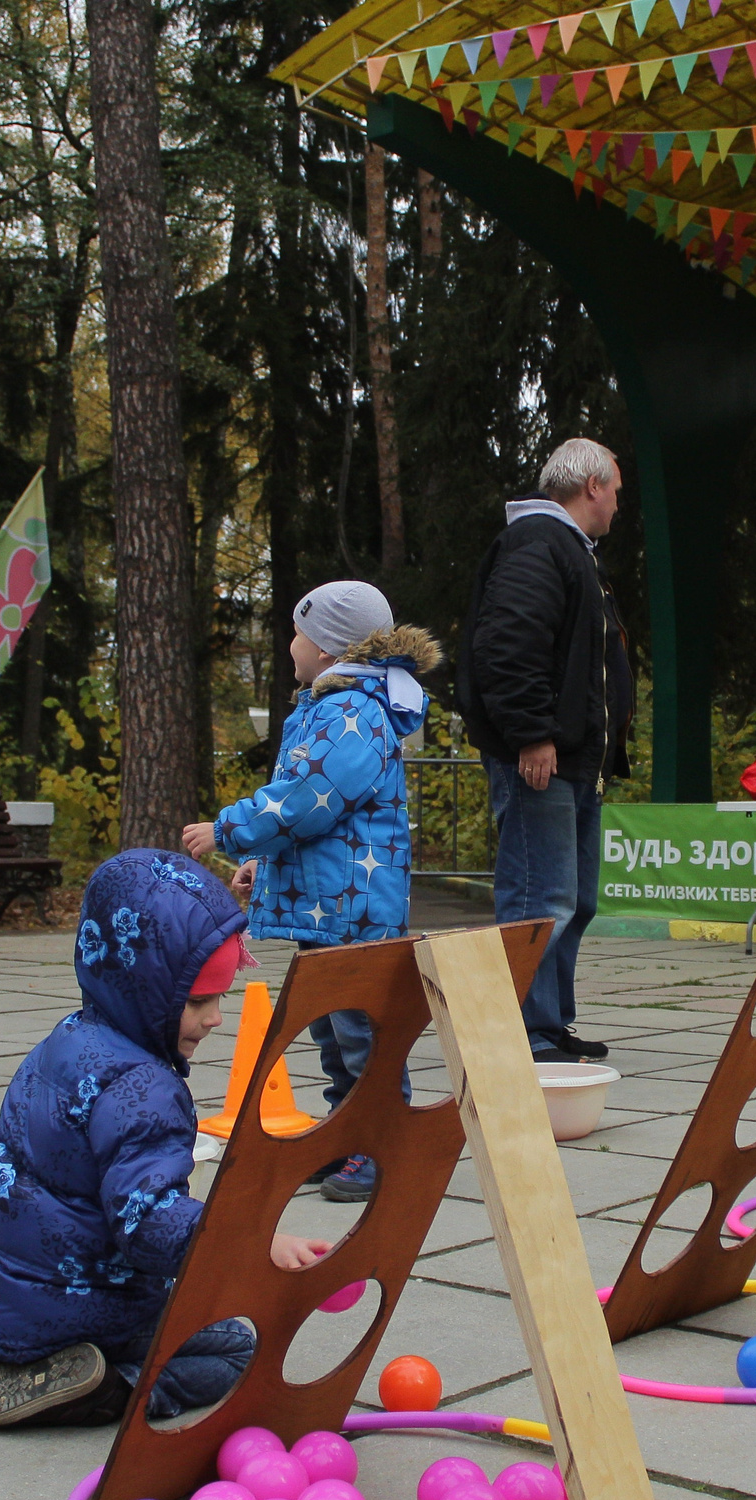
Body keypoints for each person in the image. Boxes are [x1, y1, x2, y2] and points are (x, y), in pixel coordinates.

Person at [0, 850, 333, 1427]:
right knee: (232, 1347)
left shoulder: (66, 1040)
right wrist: (253, 1242)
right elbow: (147, 1225)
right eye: (199, 1001)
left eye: (220, 997)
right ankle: (106, 1385)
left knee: (6, 1311)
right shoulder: (148, 1091)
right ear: (146, 990)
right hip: (83, 1309)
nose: (216, 1018)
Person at [181, 580, 441, 1204]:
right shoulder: (333, 704)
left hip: (352, 907)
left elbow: (307, 802)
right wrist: (261, 865)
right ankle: (346, 1138)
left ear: (327, 647)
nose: (288, 643)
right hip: (330, 903)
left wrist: (231, 831)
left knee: (360, 1035)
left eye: (297, 632)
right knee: (333, 1032)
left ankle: (379, 1148)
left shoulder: (353, 711)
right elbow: (316, 816)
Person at [455, 438, 634, 1063]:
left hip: (573, 760)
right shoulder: (540, 542)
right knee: (540, 898)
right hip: (541, 757)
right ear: (591, 486)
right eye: (615, 487)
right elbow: (507, 643)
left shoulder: (568, 550)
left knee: (573, 900)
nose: (618, 501)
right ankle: (523, 1034)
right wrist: (532, 733)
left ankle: (549, 1025)